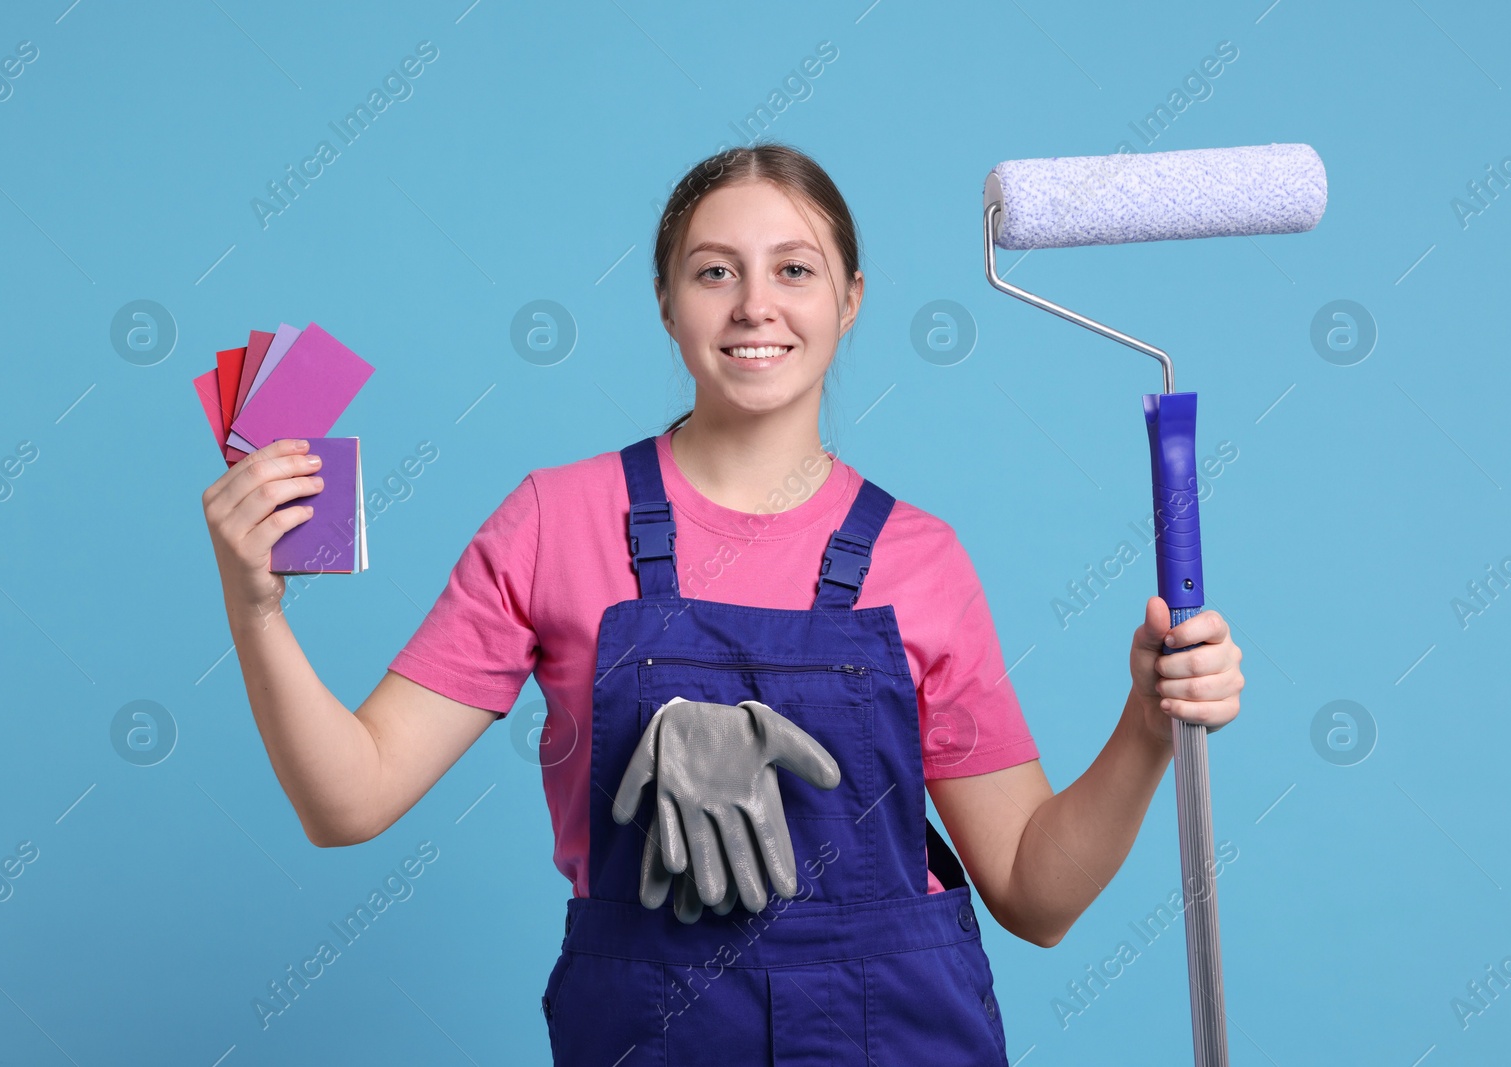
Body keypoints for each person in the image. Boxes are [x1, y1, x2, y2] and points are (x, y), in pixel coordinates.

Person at [200, 142, 1244, 1065]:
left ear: (851, 298)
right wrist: (257, 608)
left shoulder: (918, 558)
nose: (755, 304)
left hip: (899, 1035)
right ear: (665, 300)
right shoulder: (554, 521)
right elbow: (348, 799)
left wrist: (1146, 725)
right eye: (714, 272)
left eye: (795, 269)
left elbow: (1035, 891)